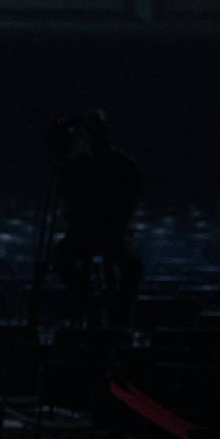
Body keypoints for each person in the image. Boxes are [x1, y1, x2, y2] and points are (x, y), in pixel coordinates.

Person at [50, 111, 143, 328]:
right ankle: (90, 302)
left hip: (110, 233)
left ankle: (119, 313)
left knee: (132, 268)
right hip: (85, 234)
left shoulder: (121, 164)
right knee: (61, 260)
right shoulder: (79, 166)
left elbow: (132, 198)